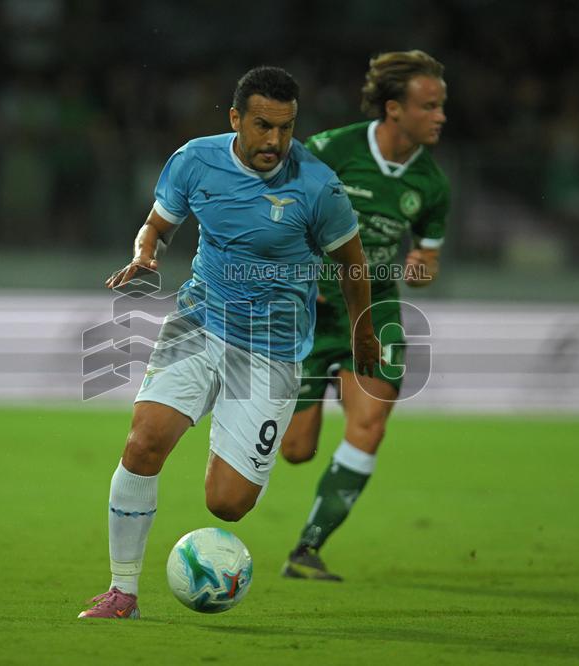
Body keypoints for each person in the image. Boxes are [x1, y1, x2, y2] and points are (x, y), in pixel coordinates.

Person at [79, 66, 379, 619]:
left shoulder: (319, 186)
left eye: (286, 128)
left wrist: (363, 331)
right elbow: (158, 225)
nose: (275, 141)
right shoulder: (195, 160)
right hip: (199, 322)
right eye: (263, 125)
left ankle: (231, 435)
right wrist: (145, 254)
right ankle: (123, 592)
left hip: (272, 351)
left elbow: (354, 266)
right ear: (236, 118)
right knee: (143, 444)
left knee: (228, 503)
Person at [279, 50, 450, 580]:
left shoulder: (432, 185)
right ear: (394, 108)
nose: (441, 116)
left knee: (370, 427)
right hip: (313, 308)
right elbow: (277, 212)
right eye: (429, 106)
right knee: (296, 450)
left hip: (375, 309)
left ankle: (307, 548)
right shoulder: (331, 150)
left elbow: (426, 260)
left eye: (441, 105)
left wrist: (422, 269)